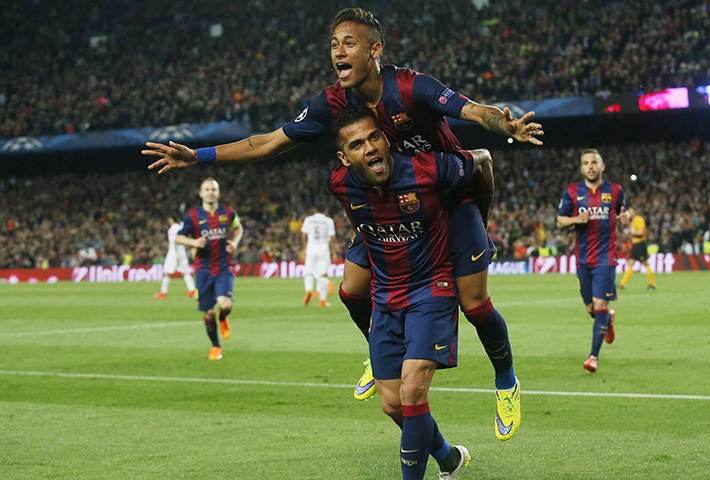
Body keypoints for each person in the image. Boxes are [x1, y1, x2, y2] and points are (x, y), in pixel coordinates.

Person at [144, 7, 535, 438]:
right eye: (333, 45)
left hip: (446, 196)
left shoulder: (410, 86)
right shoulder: (332, 102)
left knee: (474, 303)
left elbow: (473, 111)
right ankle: (381, 349)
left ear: (375, 50)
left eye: (349, 43)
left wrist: (505, 124)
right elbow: (269, 143)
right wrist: (197, 156)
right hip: (386, 201)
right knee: (350, 290)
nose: (338, 52)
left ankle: (506, 381)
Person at [329, 105, 485, 479]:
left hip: (433, 288)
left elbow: (478, 166)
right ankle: (449, 458)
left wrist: (477, 227)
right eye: (356, 144)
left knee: (414, 389)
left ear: (385, 138)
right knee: (393, 404)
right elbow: (365, 225)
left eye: (373, 137)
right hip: (386, 296)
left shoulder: (429, 169)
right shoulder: (341, 185)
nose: (368, 148)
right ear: (344, 157)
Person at [557, 149, 629, 373]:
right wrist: (575, 219)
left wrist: (626, 217)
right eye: (586, 163)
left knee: (600, 305)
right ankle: (607, 320)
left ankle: (592, 357)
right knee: (591, 308)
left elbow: (624, 212)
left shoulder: (615, 191)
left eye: (594, 162)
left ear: (602, 166)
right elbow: (560, 221)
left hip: (606, 258)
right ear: (581, 168)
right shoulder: (571, 192)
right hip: (582, 259)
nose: (590, 166)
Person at [175, 178, 243, 361]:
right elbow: (178, 238)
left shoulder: (228, 213)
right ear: (201, 193)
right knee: (209, 312)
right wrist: (194, 242)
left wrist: (235, 243)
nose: (210, 192)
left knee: (225, 304)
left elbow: (238, 228)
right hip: (203, 269)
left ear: (218, 193)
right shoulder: (192, 216)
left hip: (223, 266)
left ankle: (224, 318)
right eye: (207, 189)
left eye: (213, 189)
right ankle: (215, 346)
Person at [300, 208, 337, 307]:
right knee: (323, 274)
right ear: (325, 211)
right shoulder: (328, 221)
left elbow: (303, 235)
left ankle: (308, 290)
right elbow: (332, 237)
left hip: (311, 248)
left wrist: (304, 249)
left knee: (309, 272)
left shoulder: (308, 219)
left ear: (314, 210)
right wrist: (333, 251)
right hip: (323, 249)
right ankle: (323, 301)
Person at [154, 217, 197, 299]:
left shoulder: (172, 228)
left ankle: (163, 293)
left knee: (167, 272)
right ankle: (192, 291)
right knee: (185, 272)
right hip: (182, 252)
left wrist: (176, 254)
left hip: (174, 252)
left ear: (171, 220)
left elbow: (175, 241)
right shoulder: (181, 226)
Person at [618, 205, 656, 290]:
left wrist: (630, 231)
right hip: (635, 245)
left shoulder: (639, 220)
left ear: (634, 212)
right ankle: (622, 284)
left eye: (630, 211)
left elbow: (641, 233)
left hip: (640, 244)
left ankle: (652, 284)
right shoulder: (633, 221)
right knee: (630, 263)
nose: (629, 213)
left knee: (645, 263)